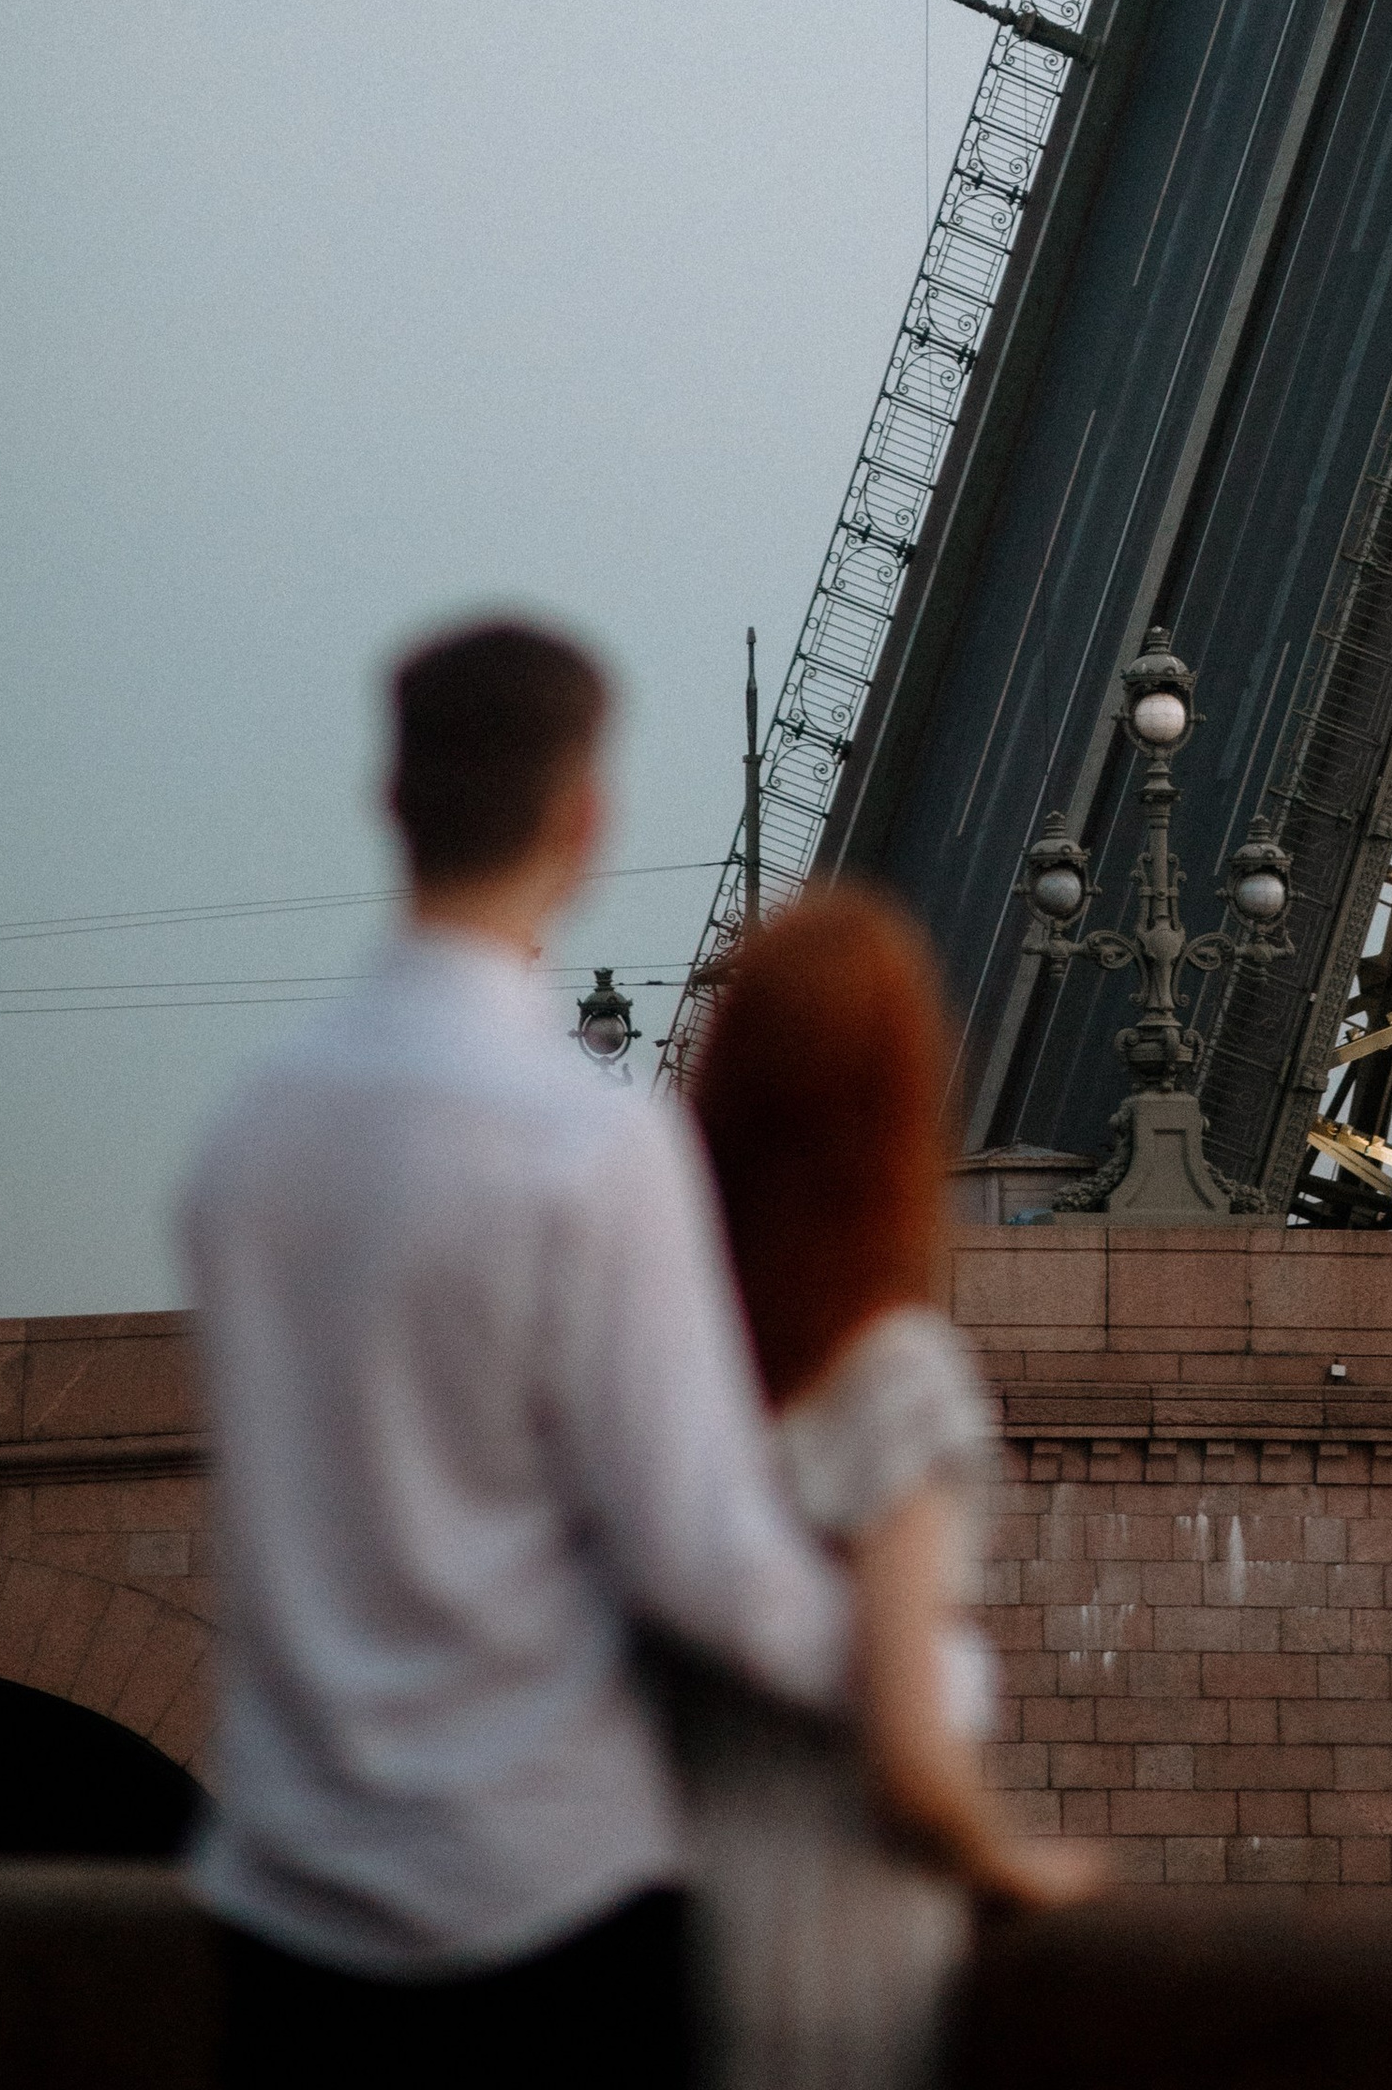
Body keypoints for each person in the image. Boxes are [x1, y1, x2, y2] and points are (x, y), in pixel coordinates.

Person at [180, 617, 847, 2085]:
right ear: (582, 821)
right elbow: (704, 1557)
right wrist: (922, 1678)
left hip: (286, 1927)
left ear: (388, 802)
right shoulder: (593, 1145)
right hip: (553, 1918)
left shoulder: (245, 1143)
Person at [675, 883, 1100, 2090]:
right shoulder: (896, 1379)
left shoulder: (661, 1371)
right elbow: (908, 1763)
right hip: (838, 1967)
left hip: (657, 1945)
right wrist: (1021, 1866)